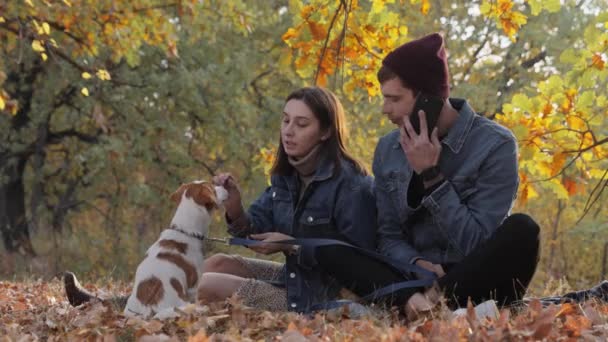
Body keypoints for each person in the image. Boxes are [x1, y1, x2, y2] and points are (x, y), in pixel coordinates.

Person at [64, 86, 377, 313]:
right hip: (296, 276)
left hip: (324, 296)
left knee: (205, 285)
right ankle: (109, 304)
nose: (288, 131)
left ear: (326, 132)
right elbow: (252, 233)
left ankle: (117, 309)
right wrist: (235, 207)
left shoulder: (353, 184)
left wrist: (293, 245)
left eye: (302, 123)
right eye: (285, 120)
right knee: (212, 264)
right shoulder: (286, 177)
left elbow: (360, 263)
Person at [313, 32, 540, 317]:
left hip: (474, 278)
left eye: (394, 99)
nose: (385, 110)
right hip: (411, 277)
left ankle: (428, 306)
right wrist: (416, 261)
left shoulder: (496, 144)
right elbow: (388, 236)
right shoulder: (388, 148)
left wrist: (432, 176)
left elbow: (478, 242)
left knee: (523, 229)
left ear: (428, 101)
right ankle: (418, 306)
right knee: (326, 244)